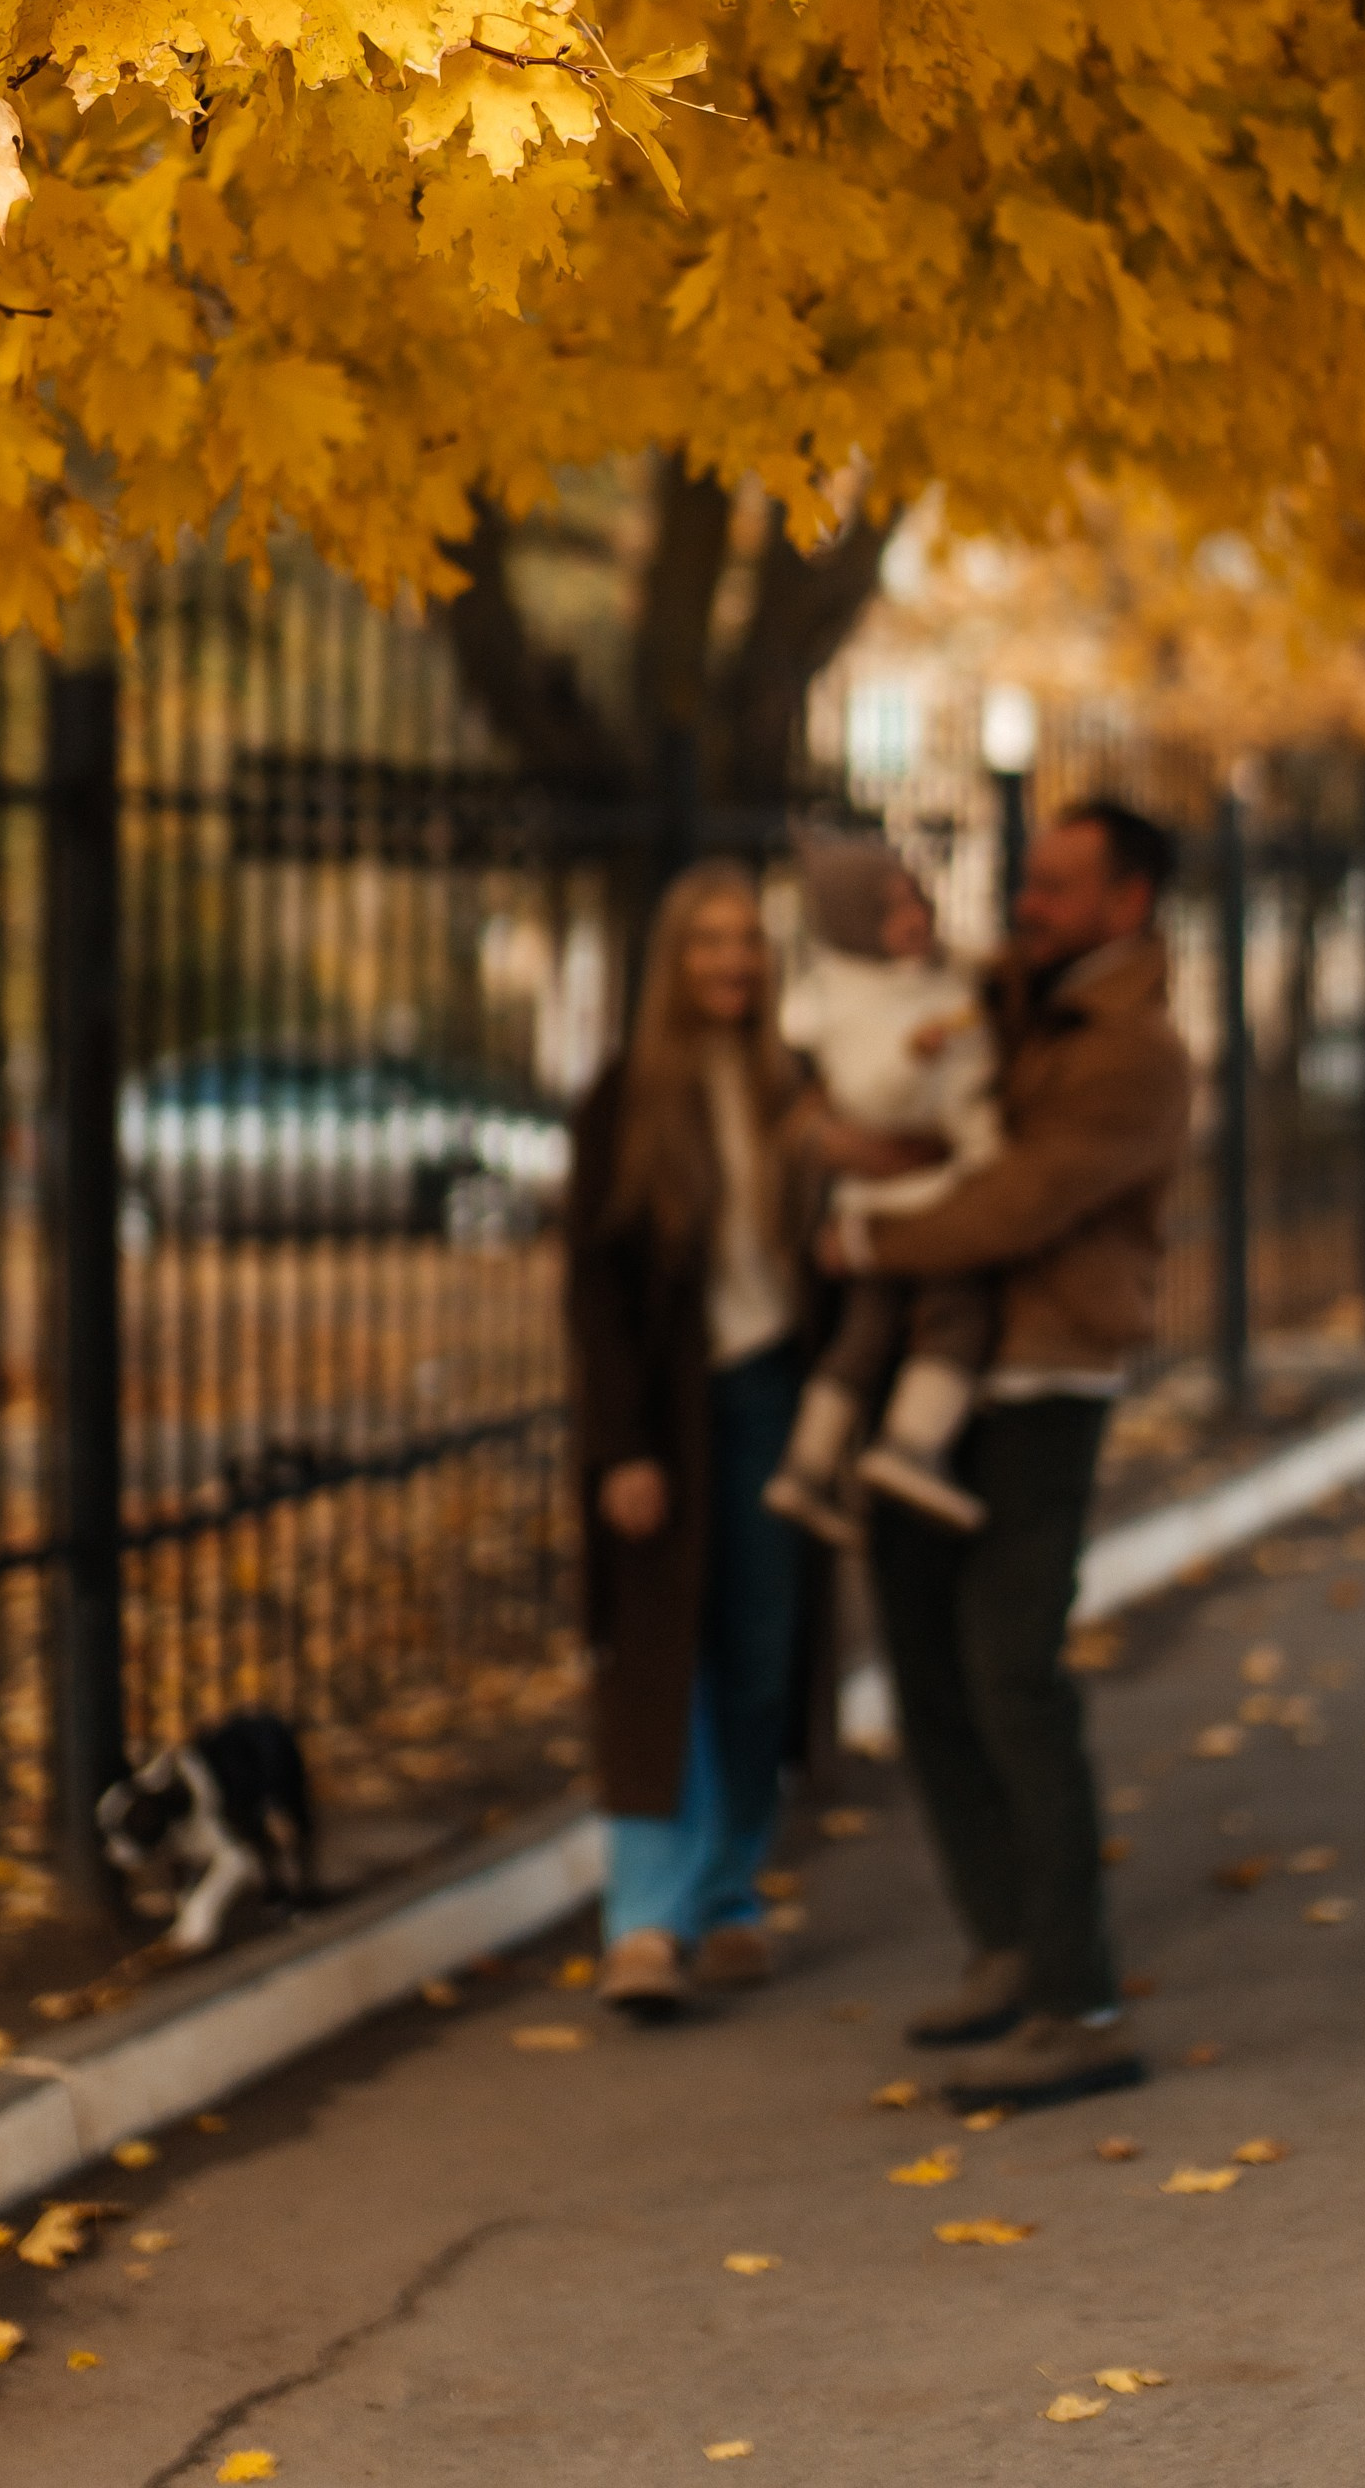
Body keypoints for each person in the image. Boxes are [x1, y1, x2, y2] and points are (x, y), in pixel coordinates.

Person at [819, 799, 1191, 2112]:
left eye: (1061, 884)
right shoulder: (999, 998)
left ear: (1128, 902)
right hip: (945, 1371)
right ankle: (1006, 1945)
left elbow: (1016, 1196)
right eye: (1030, 879)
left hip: (1043, 1375)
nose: (1028, 900)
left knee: (1010, 1669)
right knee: (923, 1664)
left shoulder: (1135, 1052)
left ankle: (1079, 2000)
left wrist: (870, 1244)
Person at [565, 859, 827, 2019]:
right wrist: (622, 1447)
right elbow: (597, 1290)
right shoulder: (624, 1099)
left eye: (748, 941)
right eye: (708, 942)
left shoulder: (798, 1089)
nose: (732, 961)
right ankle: (646, 1921)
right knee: (662, 1664)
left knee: (764, 1661)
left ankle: (730, 1895)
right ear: (672, 962)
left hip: (783, 1404)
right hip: (671, 1419)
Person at [767, 834, 1003, 1543]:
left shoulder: (922, 979)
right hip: (911, 1202)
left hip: (891, 1198)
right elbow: (868, 1093)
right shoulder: (855, 1003)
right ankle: (910, 1445)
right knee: (959, 1314)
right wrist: (917, 1059)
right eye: (889, 908)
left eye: (914, 900)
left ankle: (809, 1465)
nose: (913, 919)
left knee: (867, 1333)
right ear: (852, 924)